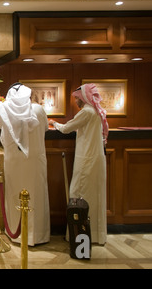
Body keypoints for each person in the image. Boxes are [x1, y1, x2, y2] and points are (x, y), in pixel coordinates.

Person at [49, 83, 109, 245]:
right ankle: (95, 235)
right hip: (96, 159)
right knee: (95, 195)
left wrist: (53, 123)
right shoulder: (95, 112)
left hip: (87, 159)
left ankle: (78, 235)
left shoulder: (86, 112)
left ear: (83, 98)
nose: (76, 102)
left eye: (77, 98)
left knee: (79, 193)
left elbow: (66, 128)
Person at [0, 82, 50, 246]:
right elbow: (46, 128)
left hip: (13, 161)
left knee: (15, 194)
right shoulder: (38, 110)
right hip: (35, 160)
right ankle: (37, 235)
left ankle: (15, 234)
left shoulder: (3, 109)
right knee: (36, 194)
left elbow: (2, 131)